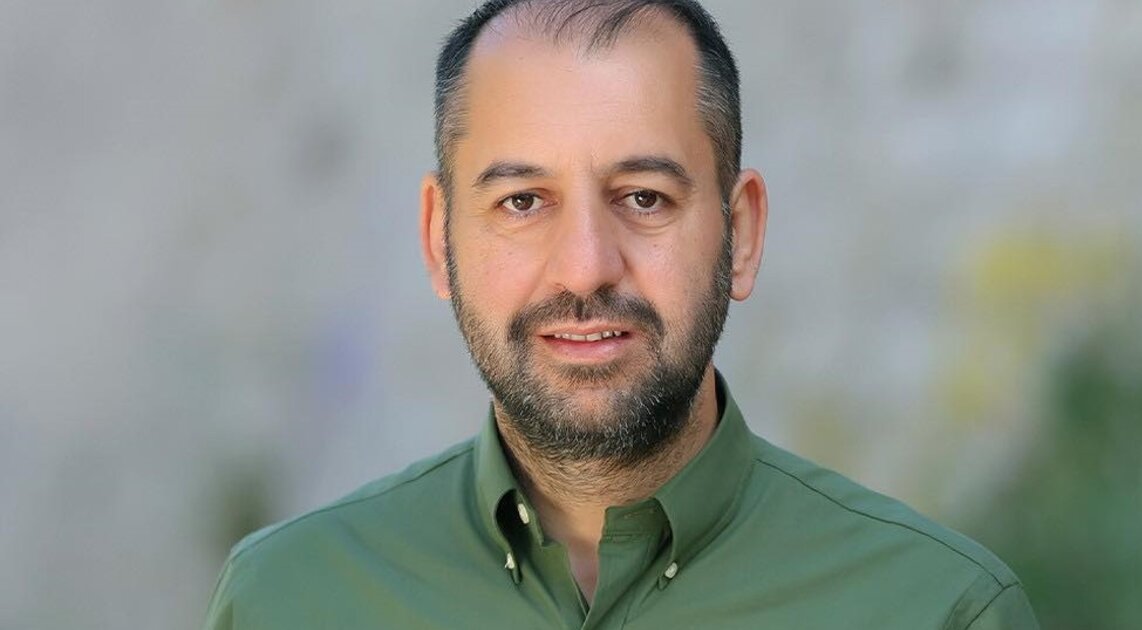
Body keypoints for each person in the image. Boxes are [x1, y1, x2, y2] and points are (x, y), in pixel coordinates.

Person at [203, 1, 1039, 628]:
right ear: (437, 238)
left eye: (644, 198)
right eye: (523, 201)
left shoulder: (937, 609)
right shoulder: (287, 599)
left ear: (741, 234)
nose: (585, 267)